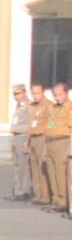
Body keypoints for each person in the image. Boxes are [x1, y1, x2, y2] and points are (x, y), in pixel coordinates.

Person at [43, 82, 70, 215]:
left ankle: (64, 201)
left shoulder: (70, 108)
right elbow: (47, 125)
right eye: (55, 95)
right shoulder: (52, 108)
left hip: (62, 142)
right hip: (50, 141)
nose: (57, 97)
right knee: (51, 172)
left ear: (66, 93)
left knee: (61, 173)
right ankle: (55, 199)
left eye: (59, 94)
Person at [28, 83, 53, 207]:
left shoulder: (48, 105)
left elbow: (51, 122)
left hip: (42, 137)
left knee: (42, 168)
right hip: (32, 138)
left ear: (43, 92)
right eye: (33, 93)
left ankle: (45, 195)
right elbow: (29, 124)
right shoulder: (32, 106)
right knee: (34, 167)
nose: (35, 96)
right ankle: (38, 194)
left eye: (37, 93)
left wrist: (47, 131)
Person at [6, 83, 32, 202]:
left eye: (18, 93)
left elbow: (30, 125)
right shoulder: (18, 106)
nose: (15, 96)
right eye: (14, 94)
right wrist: (11, 141)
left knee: (23, 167)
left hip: (23, 137)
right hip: (16, 137)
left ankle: (24, 191)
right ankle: (17, 190)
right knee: (16, 166)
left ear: (24, 92)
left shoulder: (29, 106)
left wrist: (27, 142)